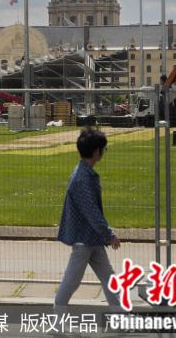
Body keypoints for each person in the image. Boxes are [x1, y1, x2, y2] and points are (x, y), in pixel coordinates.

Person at [54, 128, 122, 313]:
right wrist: (109, 235)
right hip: (84, 240)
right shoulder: (82, 178)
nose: (103, 153)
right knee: (71, 282)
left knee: (109, 278)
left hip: (91, 239)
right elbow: (91, 212)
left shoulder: (85, 173)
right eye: (103, 149)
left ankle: (122, 318)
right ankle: (57, 322)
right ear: (96, 151)